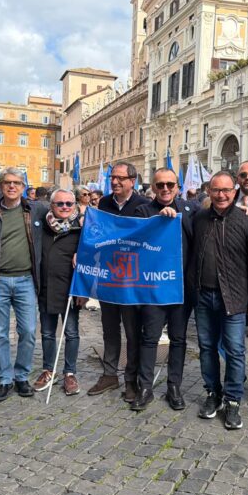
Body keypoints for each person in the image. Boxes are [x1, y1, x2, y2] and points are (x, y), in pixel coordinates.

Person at [189, 171, 248, 430]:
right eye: (215, 190)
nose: (221, 195)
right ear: (209, 192)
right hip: (203, 296)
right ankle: (213, 393)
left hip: (233, 297)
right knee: (207, 347)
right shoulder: (199, 218)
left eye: (226, 190)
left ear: (234, 192)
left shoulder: (247, 220)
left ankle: (233, 400)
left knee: (235, 351)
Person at [0, 167, 47, 403]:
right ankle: (4, 379)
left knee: (27, 332)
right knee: (0, 334)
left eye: (17, 183)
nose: (12, 186)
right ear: (1, 186)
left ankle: (22, 376)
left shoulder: (35, 210)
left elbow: (65, 214)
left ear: (24, 187)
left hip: (26, 280)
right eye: (8, 183)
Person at [132, 168, 198, 411]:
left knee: (178, 339)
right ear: (153, 187)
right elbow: (134, 238)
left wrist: (243, 208)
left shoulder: (191, 209)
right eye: (160, 185)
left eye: (170, 184)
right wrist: (158, 220)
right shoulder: (143, 211)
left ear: (178, 186)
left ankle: (174, 386)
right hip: (153, 287)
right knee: (149, 338)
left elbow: (208, 223)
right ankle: (146, 387)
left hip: (181, 289)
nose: (166, 189)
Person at [87, 162, 149, 402]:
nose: (115, 182)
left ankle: (131, 380)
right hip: (109, 276)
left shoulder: (144, 205)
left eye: (120, 178)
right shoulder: (103, 203)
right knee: (110, 327)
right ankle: (109, 374)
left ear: (132, 181)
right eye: (113, 177)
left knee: (133, 331)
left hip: (132, 279)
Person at [33, 189, 85, 396]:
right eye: (60, 204)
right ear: (51, 206)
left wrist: (83, 290)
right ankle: (48, 370)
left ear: (75, 206)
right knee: (47, 333)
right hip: (46, 288)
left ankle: (69, 373)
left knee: (71, 333)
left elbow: (91, 260)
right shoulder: (41, 226)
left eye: (69, 204)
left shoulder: (81, 229)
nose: (65, 207)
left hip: (70, 289)